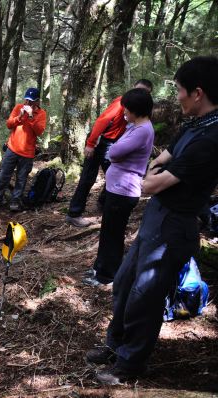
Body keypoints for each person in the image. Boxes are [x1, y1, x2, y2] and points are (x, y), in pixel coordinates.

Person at [86, 56, 218, 385]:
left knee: (145, 297)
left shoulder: (210, 140)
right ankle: (115, 345)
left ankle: (128, 366)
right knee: (126, 282)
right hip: (157, 217)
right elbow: (160, 162)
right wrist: (155, 174)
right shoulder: (194, 126)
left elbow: (151, 182)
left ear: (198, 93)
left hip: (175, 226)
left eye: (179, 90)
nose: (177, 97)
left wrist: (154, 176)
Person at [82, 88, 155, 287]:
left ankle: (107, 276)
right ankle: (100, 268)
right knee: (108, 231)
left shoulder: (142, 130)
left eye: (127, 110)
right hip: (117, 188)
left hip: (124, 190)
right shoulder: (134, 127)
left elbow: (115, 151)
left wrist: (113, 150)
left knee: (113, 235)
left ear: (136, 110)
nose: (124, 113)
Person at [66, 79, 154, 227]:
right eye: (139, 90)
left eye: (145, 93)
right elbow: (102, 121)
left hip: (113, 143)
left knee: (115, 174)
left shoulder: (139, 112)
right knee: (89, 177)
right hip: (101, 141)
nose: (140, 94)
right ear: (133, 88)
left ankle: (103, 203)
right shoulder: (121, 102)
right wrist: (90, 144)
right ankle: (74, 213)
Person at [0, 87, 47, 212]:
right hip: (12, 149)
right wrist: (20, 116)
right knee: (4, 175)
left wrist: (30, 117)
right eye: (27, 100)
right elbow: (9, 124)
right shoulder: (19, 107)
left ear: (37, 101)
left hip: (28, 153)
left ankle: (15, 201)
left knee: (21, 178)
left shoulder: (41, 114)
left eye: (31, 101)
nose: (28, 103)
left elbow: (39, 131)